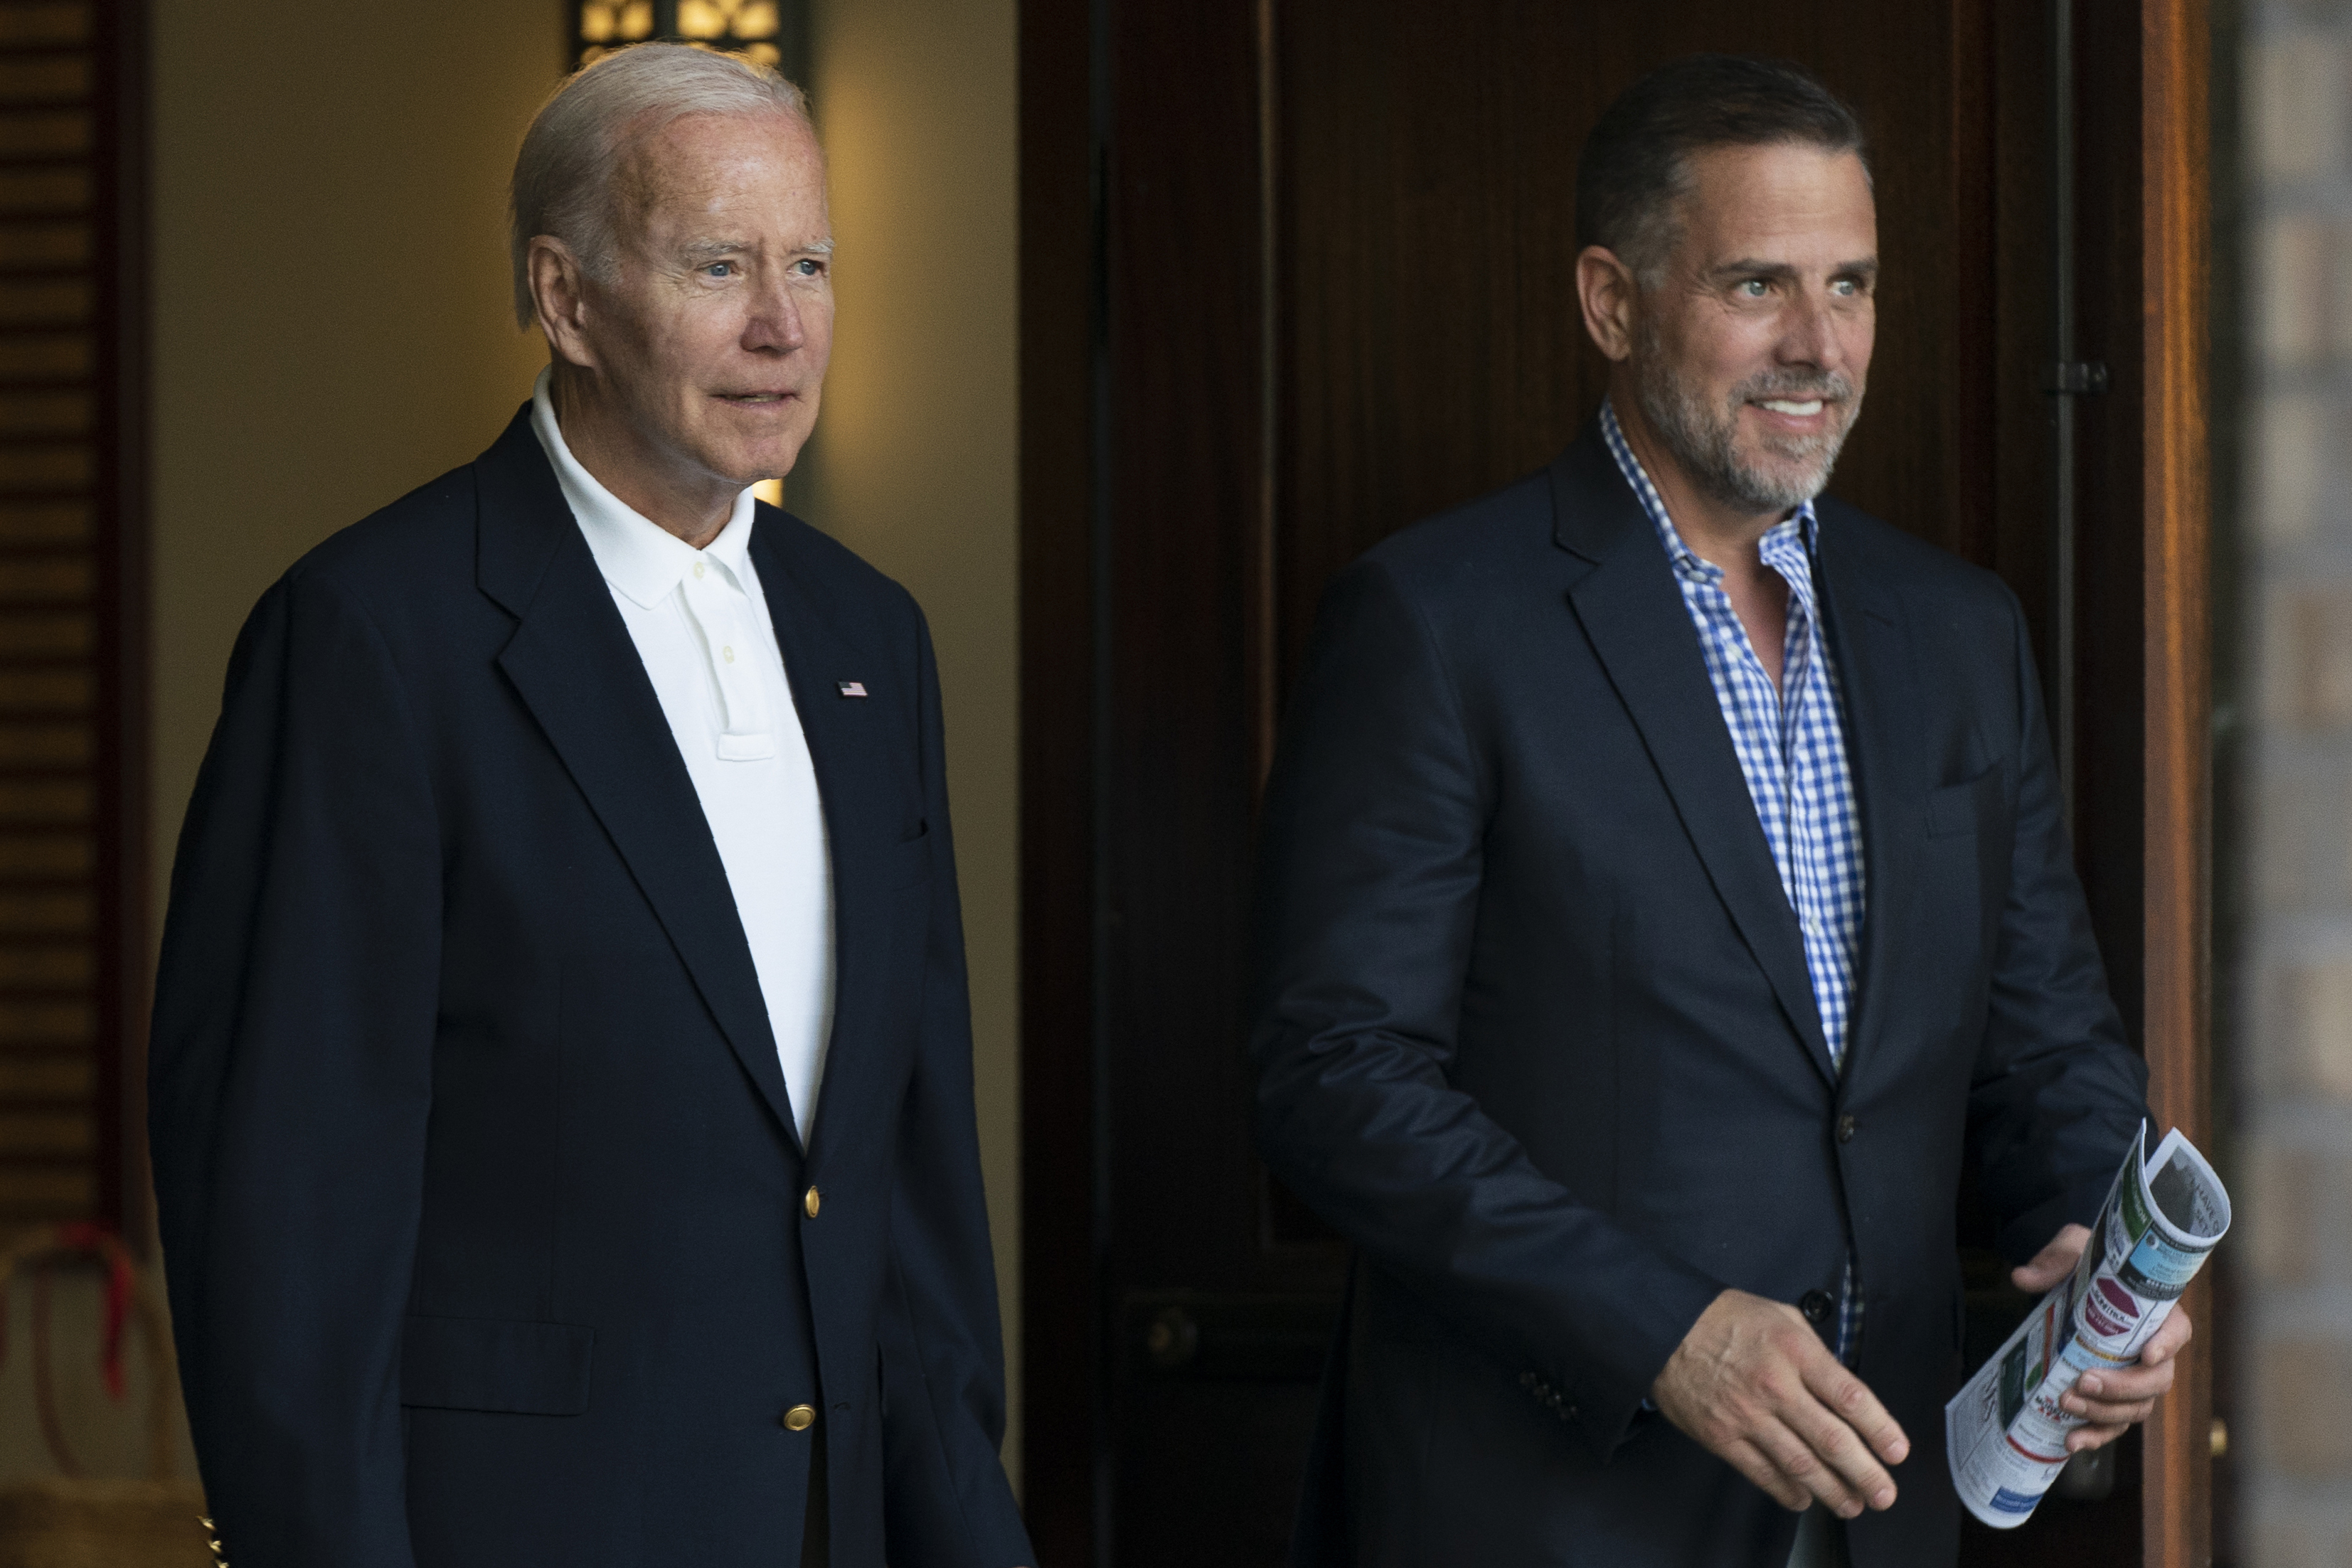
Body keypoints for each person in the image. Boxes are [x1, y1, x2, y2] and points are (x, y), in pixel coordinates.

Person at [1249, 53, 2186, 1568]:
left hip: (1882, 1505)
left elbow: (2049, 1040)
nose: (1818, 344)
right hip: (1548, 1513)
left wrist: (2092, 1244)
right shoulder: (1434, 620)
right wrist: (1662, 1330)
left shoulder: (1958, 631)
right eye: (1758, 284)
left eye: (1851, 285)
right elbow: (1334, 1075)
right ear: (1611, 303)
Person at [147, 44, 1032, 1568]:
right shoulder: (372, 634)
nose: (782, 324)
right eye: (719, 265)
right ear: (565, 299)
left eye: (811, 264)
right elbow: (288, 1212)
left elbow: (911, 1181)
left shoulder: (868, 634)